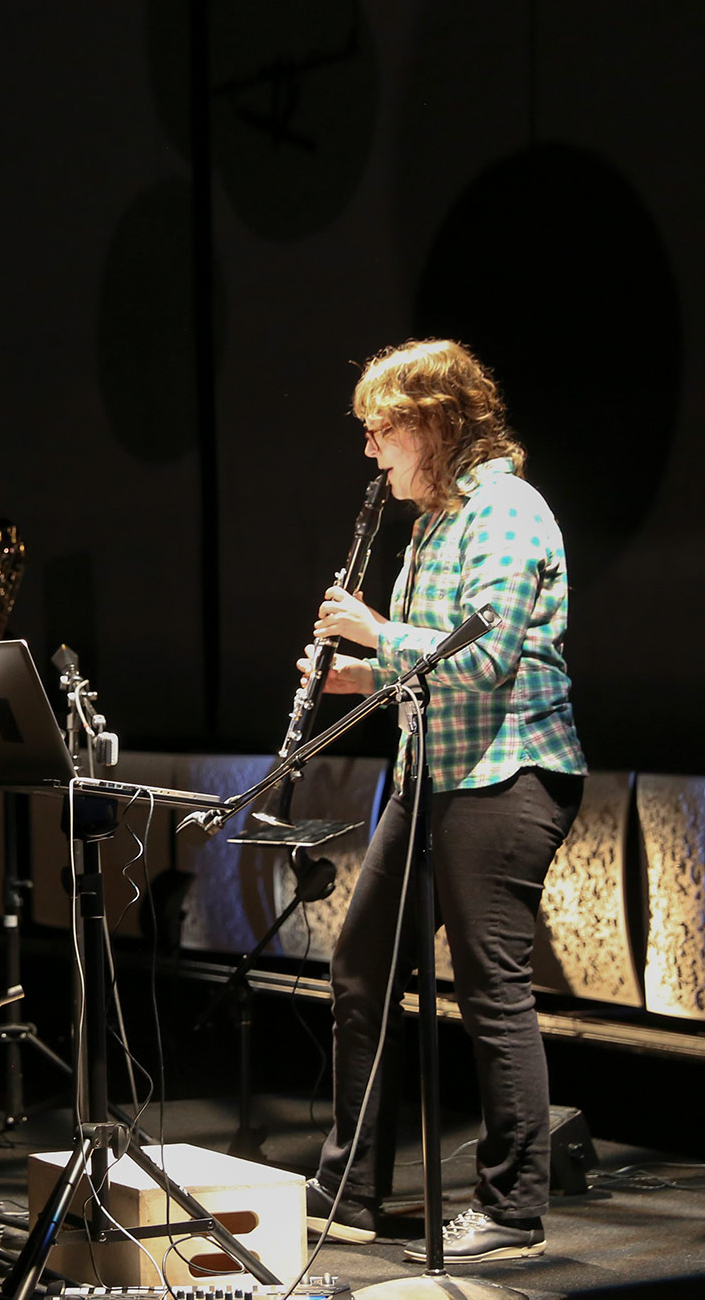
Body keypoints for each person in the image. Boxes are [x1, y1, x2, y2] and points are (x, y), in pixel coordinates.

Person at [298, 339, 586, 1263]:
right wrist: (355, 674)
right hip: (434, 775)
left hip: (507, 776)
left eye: (384, 428)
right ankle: (349, 1186)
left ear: (436, 421)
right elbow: (424, 670)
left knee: (492, 992)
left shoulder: (504, 509)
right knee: (361, 962)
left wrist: (376, 631)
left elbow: (487, 655)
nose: (372, 450)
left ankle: (511, 1208)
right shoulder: (430, 522)